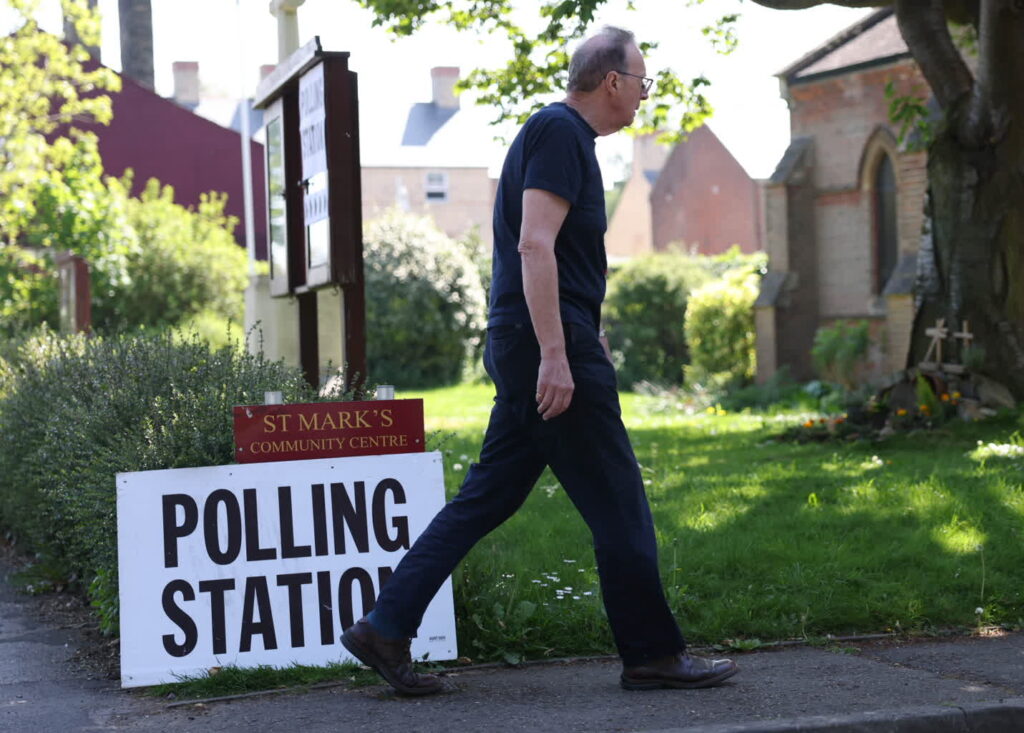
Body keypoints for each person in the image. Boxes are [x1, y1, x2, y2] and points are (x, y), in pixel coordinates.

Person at [342, 25, 738, 696]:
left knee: (485, 496)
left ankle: (386, 624)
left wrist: (585, 329)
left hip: (536, 334)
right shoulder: (559, 134)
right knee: (618, 499)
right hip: (542, 341)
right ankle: (652, 653)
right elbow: (535, 246)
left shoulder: (560, 137)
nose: (645, 92)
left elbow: (562, 258)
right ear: (611, 81)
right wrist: (558, 352)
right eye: (642, 79)